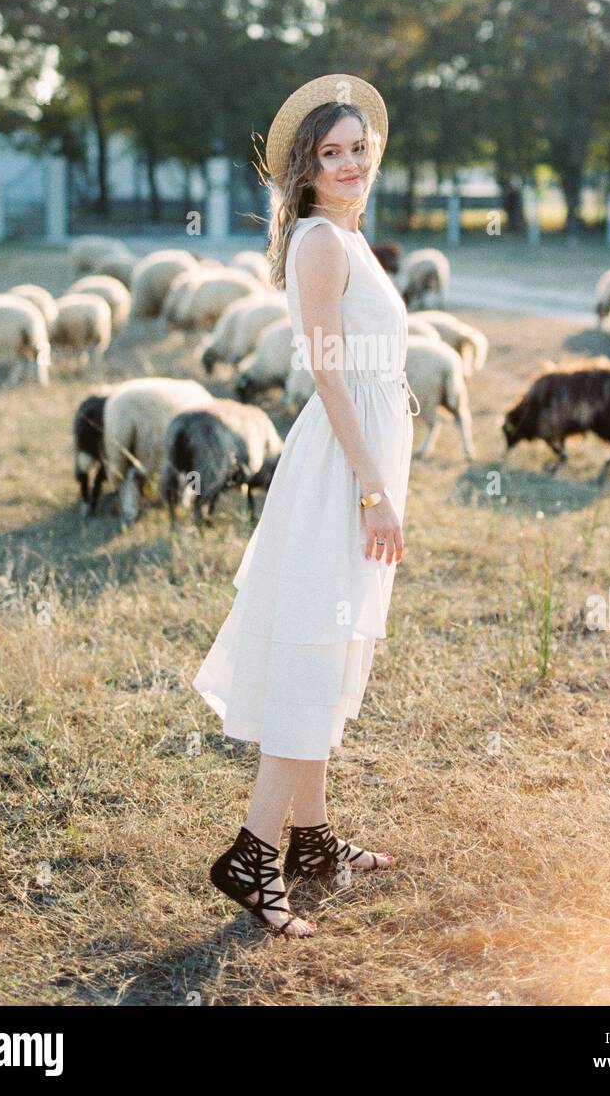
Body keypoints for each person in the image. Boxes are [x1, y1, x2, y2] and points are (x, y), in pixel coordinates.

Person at [194, 73, 420, 937]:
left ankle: (315, 840)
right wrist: (371, 489)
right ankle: (253, 853)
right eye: (332, 153)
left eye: (359, 148)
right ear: (308, 167)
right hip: (339, 471)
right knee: (313, 654)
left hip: (360, 458)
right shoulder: (322, 243)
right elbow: (328, 372)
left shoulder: (352, 241)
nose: (351, 162)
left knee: (331, 650)